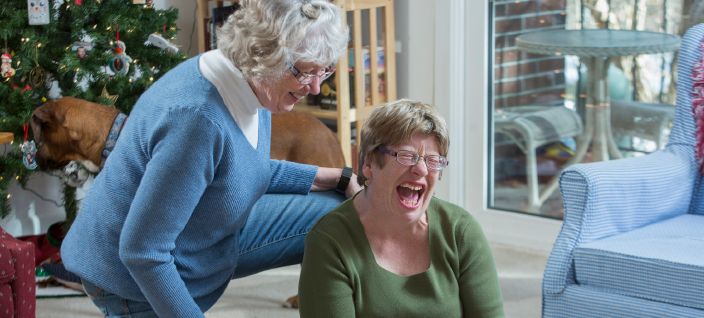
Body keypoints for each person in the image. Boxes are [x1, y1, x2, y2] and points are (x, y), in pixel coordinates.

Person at [61, 0, 357, 317]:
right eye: (305, 72)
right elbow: (143, 251)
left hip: (192, 235)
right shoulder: (198, 120)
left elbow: (235, 168)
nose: (314, 87)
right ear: (263, 55)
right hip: (128, 279)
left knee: (343, 209)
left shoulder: (253, 82)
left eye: (324, 71)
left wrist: (334, 178)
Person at [298, 99, 505, 317]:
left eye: (433, 160)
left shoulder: (460, 231)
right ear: (368, 163)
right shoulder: (329, 241)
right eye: (406, 156)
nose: (421, 170)